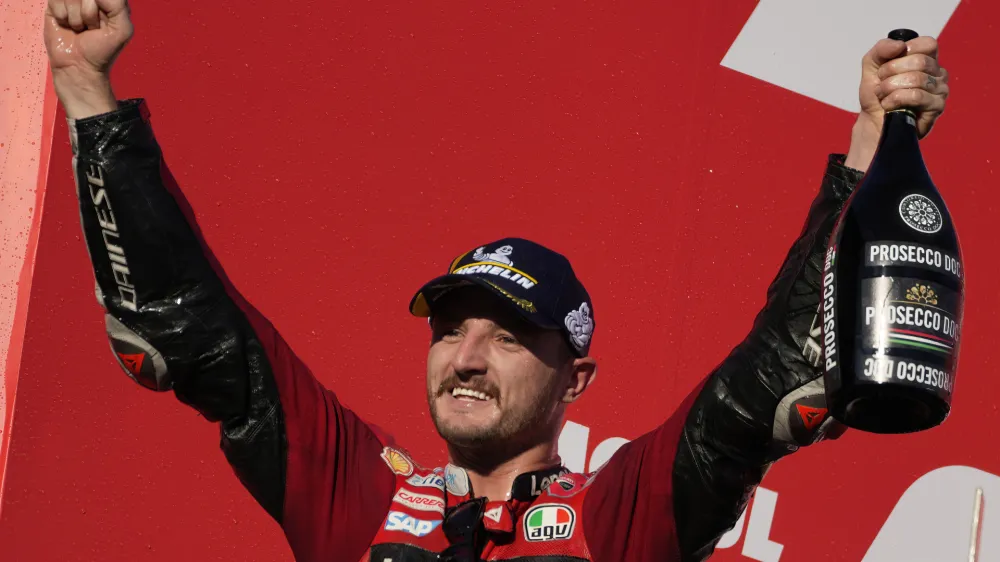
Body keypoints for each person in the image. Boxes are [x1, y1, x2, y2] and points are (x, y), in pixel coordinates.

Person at [42, 1, 950, 560]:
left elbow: (759, 391)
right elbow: (200, 335)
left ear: (575, 379)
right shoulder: (363, 502)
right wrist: (86, 89)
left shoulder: (613, 522)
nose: (466, 358)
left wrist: (868, 155)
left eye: (508, 336)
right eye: (451, 330)